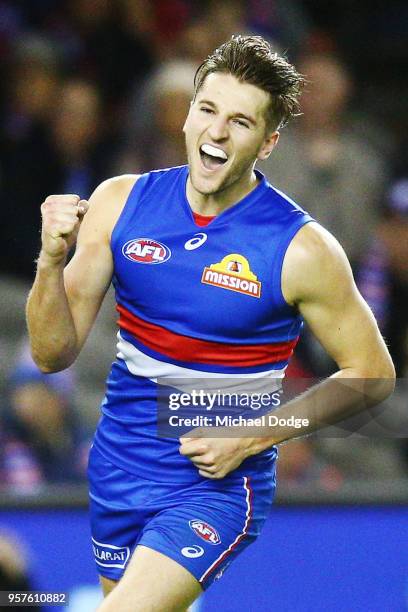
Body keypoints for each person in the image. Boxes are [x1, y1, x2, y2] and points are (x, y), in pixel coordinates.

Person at [26, 35, 395, 611]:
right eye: (207, 110)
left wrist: (252, 435)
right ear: (189, 112)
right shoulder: (121, 202)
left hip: (215, 487)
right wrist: (50, 263)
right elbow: (51, 354)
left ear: (269, 142)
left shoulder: (300, 248)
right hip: (119, 463)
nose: (216, 133)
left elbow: (372, 373)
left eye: (241, 122)